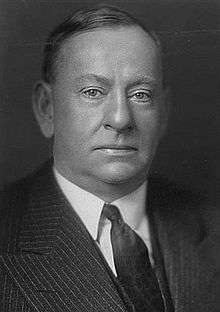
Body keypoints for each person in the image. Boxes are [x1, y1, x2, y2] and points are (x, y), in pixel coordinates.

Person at [0, 5, 219, 312]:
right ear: (46, 108)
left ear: (164, 113)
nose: (120, 118)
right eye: (93, 91)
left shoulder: (212, 225)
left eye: (141, 94)